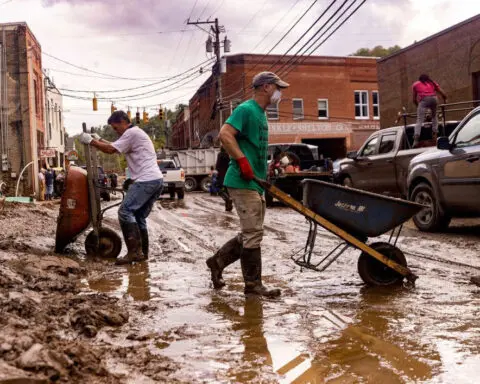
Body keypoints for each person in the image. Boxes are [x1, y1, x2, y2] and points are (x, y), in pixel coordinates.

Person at [206, 71, 289, 298]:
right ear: (266, 87)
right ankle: (253, 286)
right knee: (253, 233)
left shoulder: (261, 114)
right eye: (278, 87)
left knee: (250, 233)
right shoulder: (246, 110)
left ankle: (217, 262)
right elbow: (225, 134)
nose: (280, 93)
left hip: (256, 182)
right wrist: (241, 160)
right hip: (242, 181)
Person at [80, 110, 163, 265]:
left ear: (123, 122)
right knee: (138, 217)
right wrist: (100, 139)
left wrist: (90, 142)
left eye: (115, 128)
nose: (116, 131)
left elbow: (111, 150)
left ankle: (134, 253)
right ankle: (142, 253)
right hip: (155, 179)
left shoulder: (132, 133)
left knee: (125, 212)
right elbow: (115, 146)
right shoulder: (134, 133)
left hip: (146, 180)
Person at [412, 74, 447, 147]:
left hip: (424, 99)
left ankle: (416, 139)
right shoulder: (432, 82)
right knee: (434, 116)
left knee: (419, 120)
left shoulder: (416, 84)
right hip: (434, 99)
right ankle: (435, 133)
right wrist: (445, 99)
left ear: (420, 79)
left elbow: (414, 99)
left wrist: (418, 106)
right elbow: (442, 92)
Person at [215, 146, 233, 212]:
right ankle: (228, 208)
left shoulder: (220, 155)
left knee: (220, 190)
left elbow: (217, 165)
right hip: (228, 175)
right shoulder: (229, 154)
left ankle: (228, 199)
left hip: (221, 176)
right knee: (227, 191)